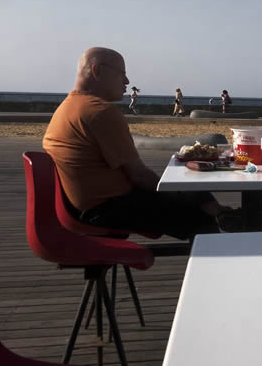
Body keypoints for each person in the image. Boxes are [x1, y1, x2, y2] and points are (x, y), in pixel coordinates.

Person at [43, 48, 230, 239]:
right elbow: (139, 176)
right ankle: (224, 224)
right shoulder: (99, 112)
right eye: (122, 74)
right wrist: (179, 192)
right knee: (199, 216)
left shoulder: (67, 107)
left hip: (81, 208)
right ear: (97, 70)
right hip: (106, 209)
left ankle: (222, 212)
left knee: (189, 191)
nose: (127, 81)